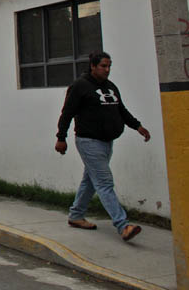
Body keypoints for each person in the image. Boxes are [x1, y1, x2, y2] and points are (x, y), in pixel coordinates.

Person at [55, 52, 149, 241]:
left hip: (107, 141)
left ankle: (76, 215)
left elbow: (120, 109)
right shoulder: (80, 86)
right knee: (104, 183)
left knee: (90, 180)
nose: (107, 70)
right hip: (89, 141)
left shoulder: (110, 87)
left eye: (109, 66)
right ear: (93, 66)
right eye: (103, 66)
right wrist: (61, 137)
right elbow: (67, 113)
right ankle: (123, 225)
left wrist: (137, 126)